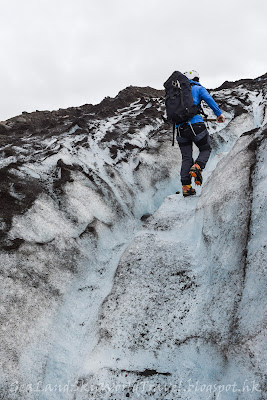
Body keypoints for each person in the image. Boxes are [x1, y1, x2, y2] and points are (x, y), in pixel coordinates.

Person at [177, 70, 225, 197]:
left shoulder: (176, 92)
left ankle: (186, 187)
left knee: (186, 157)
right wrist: (219, 114)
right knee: (205, 149)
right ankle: (197, 167)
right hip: (196, 125)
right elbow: (209, 99)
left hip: (180, 129)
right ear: (195, 79)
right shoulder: (198, 88)